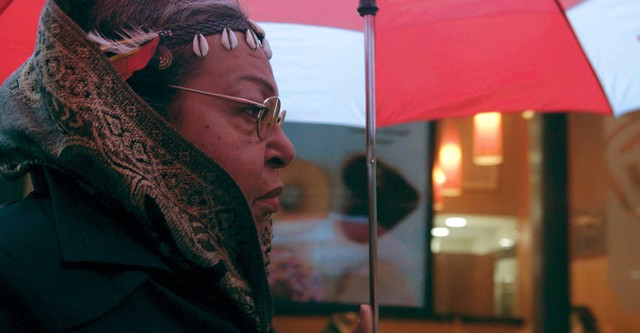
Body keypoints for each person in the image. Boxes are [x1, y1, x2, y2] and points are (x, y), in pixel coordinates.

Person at [0, 0, 372, 332]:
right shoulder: (13, 269)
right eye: (253, 110)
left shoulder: (217, 279)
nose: (285, 149)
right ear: (129, 115)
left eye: (276, 116)